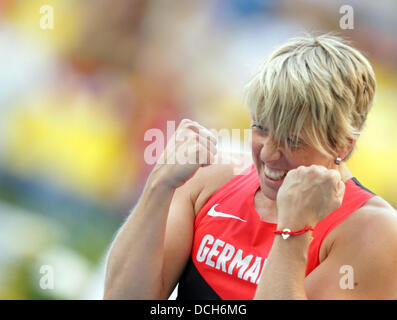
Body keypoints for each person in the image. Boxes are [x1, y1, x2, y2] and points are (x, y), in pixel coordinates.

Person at [103, 34, 397, 300]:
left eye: (292, 141)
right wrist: (158, 185)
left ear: (342, 145)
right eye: (261, 128)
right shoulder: (209, 181)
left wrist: (293, 231)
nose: (269, 153)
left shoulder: (374, 232)